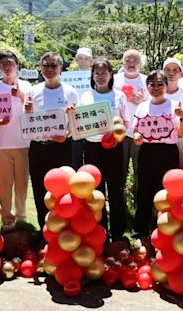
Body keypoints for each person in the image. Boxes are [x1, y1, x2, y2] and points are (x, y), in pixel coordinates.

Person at [132, 70, 183, 240]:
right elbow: (136, 131)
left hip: (167, 152)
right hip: (147, 152)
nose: (156, 88)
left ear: (166, 86)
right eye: (152, 84)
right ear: (147, 86)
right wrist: (137, 138)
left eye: (160, 84)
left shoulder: (174, 105)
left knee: (166, 191)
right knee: (144, 190)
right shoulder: (142, 106)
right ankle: (140, 230)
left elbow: (182, 133)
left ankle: (166, 227)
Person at [27, 52, 78, 231]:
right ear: (41, 68)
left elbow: (75, 121)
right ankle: (44, 229)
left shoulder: (70, 91)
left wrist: (67, 133)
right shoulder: (33, 91)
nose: (49, 69)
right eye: (46, 65)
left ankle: (65, 228)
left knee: (63, 189)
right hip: (38, 148)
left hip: (62, 147)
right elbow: (29, 122)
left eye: (53, 66)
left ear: (61, 68)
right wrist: (27, 113)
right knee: (40, 189)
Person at [80, 59, 129, 241]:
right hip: (92, 147)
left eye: (104, 72)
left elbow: (127, 121)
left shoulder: (119, 96)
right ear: (92, 76)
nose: (100, 76)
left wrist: (117, 137)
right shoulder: (85, 96)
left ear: (111, 75)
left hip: (114, 147)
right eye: (97, 73)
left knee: (116, 188)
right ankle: (99, 227)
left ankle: (117, 230)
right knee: (96, 189)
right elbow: (79, 123)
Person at [0, 51, 31, 231]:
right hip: (2, 143)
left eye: (10, 64)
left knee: (21, 185)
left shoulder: (28, 86)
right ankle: (7, 219)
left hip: (23, 142)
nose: (7, 67)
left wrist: (21, 95)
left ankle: (21, 218)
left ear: (17, 66)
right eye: (4, 64)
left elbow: (33, 110)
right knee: (4, 184)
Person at [113, 49, 146, 207]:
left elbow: (156, 104)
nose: (131, 64)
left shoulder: (147, 81)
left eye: (135, 61)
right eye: (128, 60)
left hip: (141, 133)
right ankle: (119, 209)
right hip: (119, 133)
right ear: (122, 62)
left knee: (141, 172)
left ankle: (141, 209)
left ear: (141, 64)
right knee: (119, 172)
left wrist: (142, 102)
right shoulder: (114, 80)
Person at [163, 57, 183, 170]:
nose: (171, 73)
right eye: (167, 70)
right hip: (160, 141)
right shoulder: (155, 93)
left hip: (180, 142)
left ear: (181, 74)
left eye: (175, 70)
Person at [72, 47, 93, 169]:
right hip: (75, 123)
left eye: (86, 58)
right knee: (76, 157)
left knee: (92, 156)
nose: (83, 61)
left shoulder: (98, 77)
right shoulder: (68, 78)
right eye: (80, 58)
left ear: (91, 61)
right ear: (76, 60)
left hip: (92, 120)